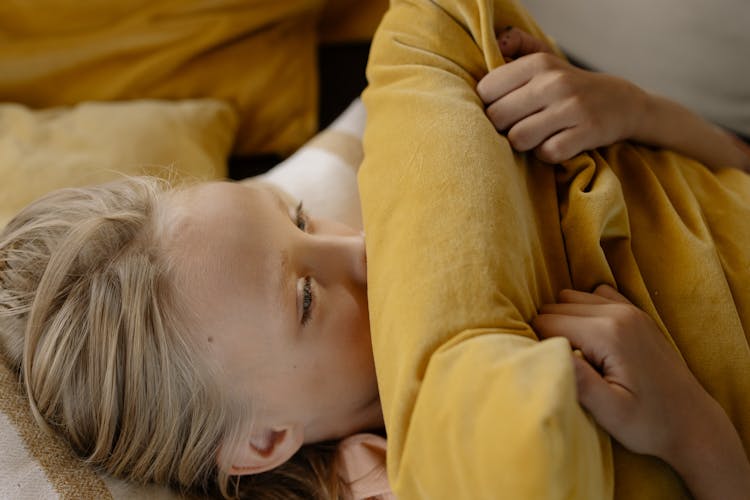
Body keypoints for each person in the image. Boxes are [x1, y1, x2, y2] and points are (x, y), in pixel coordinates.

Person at [1, 27, 749, 500]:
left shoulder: (444, 205)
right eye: (304, 298)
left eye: (298, 218)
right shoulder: (425, 469)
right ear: (262, 443)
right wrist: (692, 433)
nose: (360, 247)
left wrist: (637, 113)